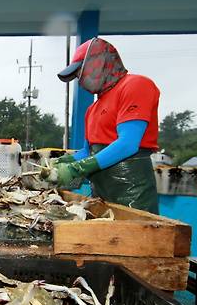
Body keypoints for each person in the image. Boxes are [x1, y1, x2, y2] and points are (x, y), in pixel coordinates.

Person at [53, 37, 160, 214]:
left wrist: (76, 168)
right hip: (101, 196)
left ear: (99, 62)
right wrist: (63, 162)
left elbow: (128, 144)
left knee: (134, 238)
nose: (80, 80)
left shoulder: (136, 85)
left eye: (80, 72)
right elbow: (88, 152)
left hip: (133, 194)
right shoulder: (92, 109)